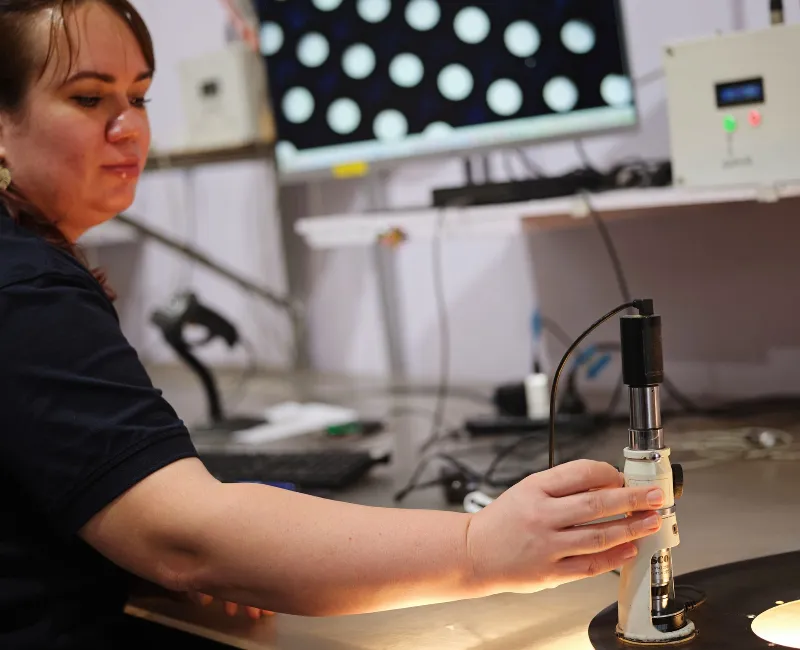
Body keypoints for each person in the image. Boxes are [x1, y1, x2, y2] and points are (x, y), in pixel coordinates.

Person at [0, 1, 667, 648]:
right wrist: (480, 547)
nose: (128, 127)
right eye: (89, 98)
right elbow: (185, 541)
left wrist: (166, 539)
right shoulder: (26, 287)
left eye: (139, 97)